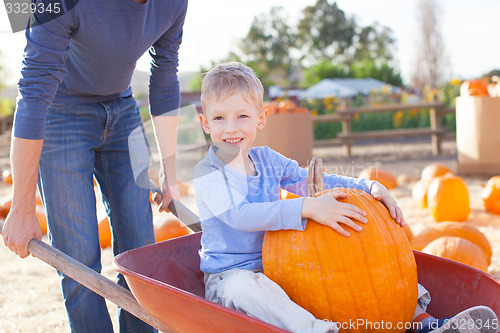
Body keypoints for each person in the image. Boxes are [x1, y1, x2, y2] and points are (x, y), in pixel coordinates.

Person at [192, 62, 498, 333]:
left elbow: (307, 180)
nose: (231, 128)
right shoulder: (208, 173)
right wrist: (307, 207)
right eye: (219, 118)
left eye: (241, 116)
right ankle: (318, 331)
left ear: (261, 118)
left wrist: (365, 187)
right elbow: (240, 215)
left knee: (371, 263)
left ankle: (422, 323)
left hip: (279, 268)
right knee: (248, 288)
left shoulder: (267, 159)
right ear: (205, 123)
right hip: (229, 278)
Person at [1, 0, 188, 332]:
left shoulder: (174, 3)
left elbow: (164, 74)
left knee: (141, 255)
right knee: (78, 260)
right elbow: (33, 93)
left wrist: (170, 174)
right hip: (60, 112)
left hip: (122, 107)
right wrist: (21, 206)